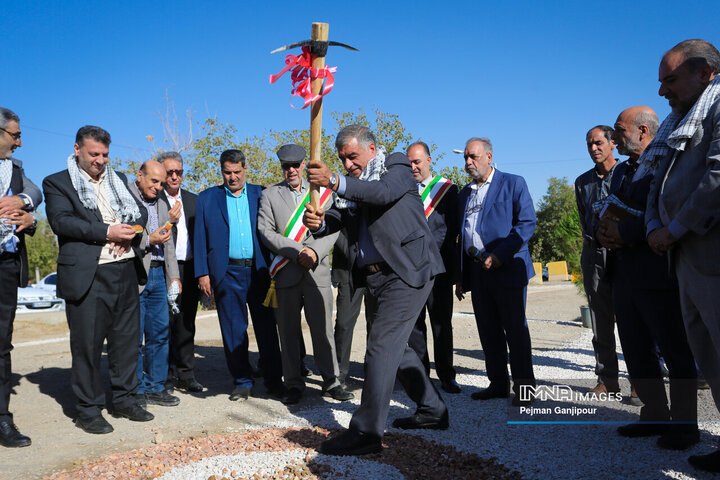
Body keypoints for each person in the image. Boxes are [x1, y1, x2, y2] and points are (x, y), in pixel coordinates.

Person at [304, 124, 448, 456]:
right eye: (342, 160)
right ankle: (432, 409)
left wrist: (335, 182)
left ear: (371, 149)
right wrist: (322, 221)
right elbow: (344, 217)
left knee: (380, 346)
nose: (348, 164)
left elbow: (381, 193)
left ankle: (366, 433)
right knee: (396, 350)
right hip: (375, 278)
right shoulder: (351, 187)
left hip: (408, 270)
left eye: (352, 156)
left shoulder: (395, 165)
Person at [598, 106, 699, 450]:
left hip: (657, 271)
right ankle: (655, 414)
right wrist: (606, 233)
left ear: (642, 131)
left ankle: (686, 427)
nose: (614, 137)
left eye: (619, 129)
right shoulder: (623, 170)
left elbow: (667, 210)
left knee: (674, 350)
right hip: (624, 273)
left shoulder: (666, 163)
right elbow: (615, 209)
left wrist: (626, 233)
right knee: (636, 349)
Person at [43, 125, 153, 434]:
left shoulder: (117, 180)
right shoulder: (57, 182)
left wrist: (131, 232)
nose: (101, 160)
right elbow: (62, 222)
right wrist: (108, 231)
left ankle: (126, 400)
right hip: (88, 276)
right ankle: (88, 410)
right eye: (94, 154)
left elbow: (140, 215)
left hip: (125, 271)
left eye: (105, 154)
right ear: (77, 150)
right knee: (87, 346)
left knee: (127, 343)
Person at [645, 39, 720, 472]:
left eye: (669, 80)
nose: (661, 93)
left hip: (710, 256)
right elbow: (659, 183)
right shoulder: (679, 121)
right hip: (687, 261)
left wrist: (674, 229)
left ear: (704, 74)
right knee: (708, 356)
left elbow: (717, 175)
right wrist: (656, 226)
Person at [257, 144, 351, 405]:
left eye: (295, 165)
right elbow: (266, 232)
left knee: (323, 330)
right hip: (286, 271)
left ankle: (331, 381)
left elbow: (333, 228)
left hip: (316, 272)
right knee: (287, 333)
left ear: (303, 165)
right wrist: (300, 250)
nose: (291, 170)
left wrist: (315, 252)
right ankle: (294, 383)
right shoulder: (270, 195)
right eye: (286, 166)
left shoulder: (321, 192)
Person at [194, 149, 284, 401]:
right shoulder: (207, 199)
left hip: (259, 272)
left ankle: (274, 381)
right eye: (227, 172)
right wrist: (203, 273)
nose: (232, 177)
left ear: (245, 169)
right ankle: (242, 381)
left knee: (267, 328)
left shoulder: (262, 194)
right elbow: (200, 238)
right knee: (233, 330)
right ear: (221, 171)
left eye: (237, 172)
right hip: (226, 273)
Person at [455, 137, 536, 406]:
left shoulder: (513, 183)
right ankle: (498, 383)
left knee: (515, 330)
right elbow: (461, 236)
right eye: (466, 157)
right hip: (478, 273)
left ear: (489, 157)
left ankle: (525, 389)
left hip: (508, 268)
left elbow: (526, 224)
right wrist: (461, 277)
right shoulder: (464, 194)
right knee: (488, 331)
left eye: (473, 157)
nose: (468, 162)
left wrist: (499, 255)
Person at [0, 107, 41, 448]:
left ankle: (2, 417)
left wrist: (25, 210)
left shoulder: (16, 170)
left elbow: (35, 194)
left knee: (1, 344)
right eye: (15, 135)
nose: (20, 142)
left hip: (7, 264)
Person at [406, 140, 460, 394]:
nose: (413, 167)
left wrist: (426, 253)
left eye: (417, 162)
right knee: (415, 326)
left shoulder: (448, 190)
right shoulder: (404, 190)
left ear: (429, 160)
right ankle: (421, 376)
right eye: (410, 163)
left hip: (438, 267)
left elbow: (452, 230)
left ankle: (447, 375)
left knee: (441, 324)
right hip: (410, 269)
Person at [574, 126, 624, 396]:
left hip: (625, 253)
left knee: (631, 318)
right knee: (600, 320)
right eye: (589, 144)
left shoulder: (628, 173)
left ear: (612, 143)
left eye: (598, 143)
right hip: (594, 255)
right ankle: (607, 379)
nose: (593, 148)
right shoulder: (582, 182)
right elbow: (584, 219)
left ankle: (639, 382)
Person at [128, 160, 181, 407]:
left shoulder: (162, 203)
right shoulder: (124, 196)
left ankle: (156, 387)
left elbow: (168, 242)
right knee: (134, 335)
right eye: (154, 181)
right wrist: (149, 240)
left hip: (160, 275)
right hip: (134, 273)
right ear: (139, 176)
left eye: (161, 183)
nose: (159, 186)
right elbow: (123, 237)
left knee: (160, 334)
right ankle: (135, 389)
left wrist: (174, 277)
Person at [158, 151, 203, 393]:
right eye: (170, 172)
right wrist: (169, 221)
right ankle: (164, 376)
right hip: (164, 269)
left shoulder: (194, 200)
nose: (175, 177)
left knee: (187, 322)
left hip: (190, 268)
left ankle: (187, 374)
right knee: (164, 323)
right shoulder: (154, 200)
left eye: (179, 172)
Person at [331, 228, 364, 387]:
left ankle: (375, 371)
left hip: (380, 266)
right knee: (344, 323)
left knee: (378, 322)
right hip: (348, 266)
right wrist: (355, 255)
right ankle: (339, 374)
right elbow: (335, 227)